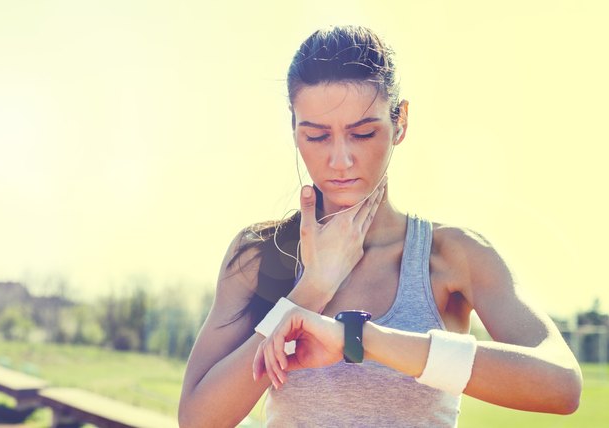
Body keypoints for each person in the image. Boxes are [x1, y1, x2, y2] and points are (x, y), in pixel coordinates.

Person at [178, 25, 582, 427]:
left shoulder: (452, 256)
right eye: (317, 136)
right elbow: (197, 420)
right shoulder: (261, 254)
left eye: (363, 133)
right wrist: (312, 289)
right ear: (294, 128)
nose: (340, 160)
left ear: (400, 122)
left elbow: (561, 385)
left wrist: (361, 339)